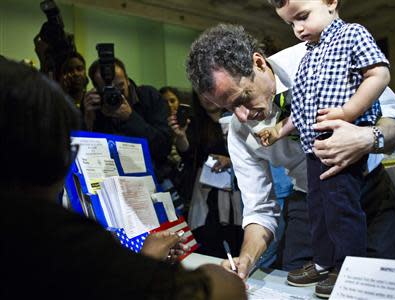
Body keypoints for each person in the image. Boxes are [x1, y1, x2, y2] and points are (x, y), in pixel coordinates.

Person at [186, 24, 395, 298]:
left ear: (258, 63)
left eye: (242, 98)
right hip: (307, 202)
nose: (241, 117)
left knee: (378, 290)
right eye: (229, 108)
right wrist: (246, 259)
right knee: (294, 289)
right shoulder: (240, 132)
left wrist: (367, 138)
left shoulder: (324, 53)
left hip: (367, 191)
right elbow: (259, 209)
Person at [1, 58, 246, 300]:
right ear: (55, 157)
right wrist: (144, 265)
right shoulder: (62, 240)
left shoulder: (148, 99)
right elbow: (223, 291)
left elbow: (162, 145)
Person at [258, 0, 391, 295]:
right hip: (313, 148)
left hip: (340, 143)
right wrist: (279, 130)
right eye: (291, 24)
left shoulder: (352, 34)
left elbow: (379, 74)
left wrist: (348, 111)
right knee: (317, 208)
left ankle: (347, 266)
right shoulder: (308, 55)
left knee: (341, 207)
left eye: (303, 17)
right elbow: (302, 107)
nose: (298, 29)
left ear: (331, 2)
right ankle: (322, 262)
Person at [168, 91, 244, 258]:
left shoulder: (238, 118)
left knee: (237, 241)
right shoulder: (195, 123)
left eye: (211, 92)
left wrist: (230, 160)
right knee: (209, 241)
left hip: (238, 192)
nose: (207, 98)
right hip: (206, 192)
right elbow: (188, 153)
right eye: (202, 93)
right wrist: (180, 135)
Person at [83, 58, 172, 181]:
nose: (116, 95)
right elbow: (86, 158)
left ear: (127, 80)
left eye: (120, 87)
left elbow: (163, 147)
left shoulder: (149, 97)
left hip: (154, 176)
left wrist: (130, 118)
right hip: (110, 179)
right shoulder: (94, 107)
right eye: (108, 90)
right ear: (96, 89)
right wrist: (88, 120)